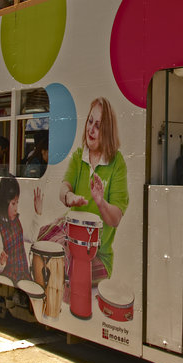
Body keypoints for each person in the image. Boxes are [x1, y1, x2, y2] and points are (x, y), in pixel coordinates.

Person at [59, 97, 129, 280]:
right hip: (73, 245)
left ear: (107, 131)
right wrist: (69, 196)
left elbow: (115, 219)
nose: (91, 129)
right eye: (90, 121)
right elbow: (64, 187)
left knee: (67, 275)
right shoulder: (78, 156)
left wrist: (100, 202)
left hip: (98, 256)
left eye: (98, 125)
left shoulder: (117, 163)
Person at [0, 175, 43, 283]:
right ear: (4, 204)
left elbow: (32, 237)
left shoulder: (18, 222)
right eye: (13, 203)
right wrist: (1, 262)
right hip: (8, 277)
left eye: (17, 202)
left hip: (23, 275)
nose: (16, 207)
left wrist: (38, 214)